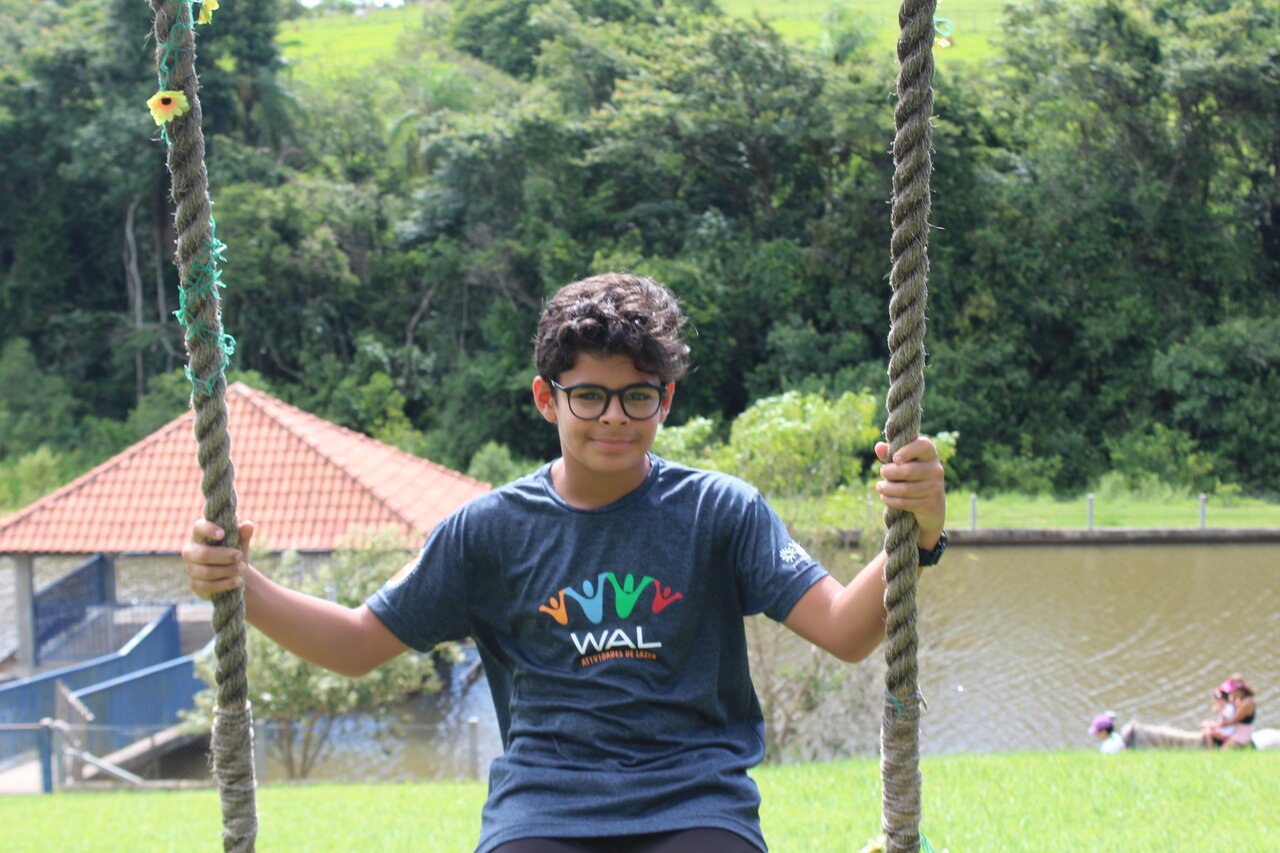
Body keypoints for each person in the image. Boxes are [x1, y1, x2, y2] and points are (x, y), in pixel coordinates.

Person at [183, 273, 948, 853]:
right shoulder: (489, 531)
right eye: (589, 396)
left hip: (696, 799)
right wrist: (242, 586)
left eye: (637, 396)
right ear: (547, 399)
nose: (614, 416)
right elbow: (358, 643)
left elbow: (846, 630)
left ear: (665, 401)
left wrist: (918, 532)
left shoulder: (720, 511)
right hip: (543, 806)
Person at [1203, 675, 1257, 750]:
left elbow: (1234, 721)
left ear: (1238, 690)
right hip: (1233, 730)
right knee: (1209, 734)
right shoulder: (1237, 698)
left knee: (1223, 752)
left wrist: (1215, 724)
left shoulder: (1247, 703)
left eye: (1231, 691)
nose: (1229, 693)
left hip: (1241, 735)